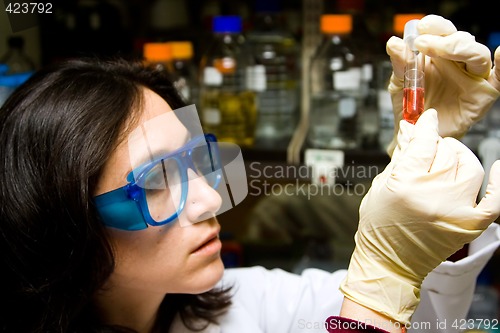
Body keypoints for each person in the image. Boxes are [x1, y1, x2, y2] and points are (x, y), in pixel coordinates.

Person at [0, 14, 499, 333]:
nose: (209, 201)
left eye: (195, 160)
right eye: (155, 181)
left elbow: (427, 319)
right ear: (61, 224)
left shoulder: (243, 303)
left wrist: (429, 150)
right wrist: (379, 285)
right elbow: (374, 305)